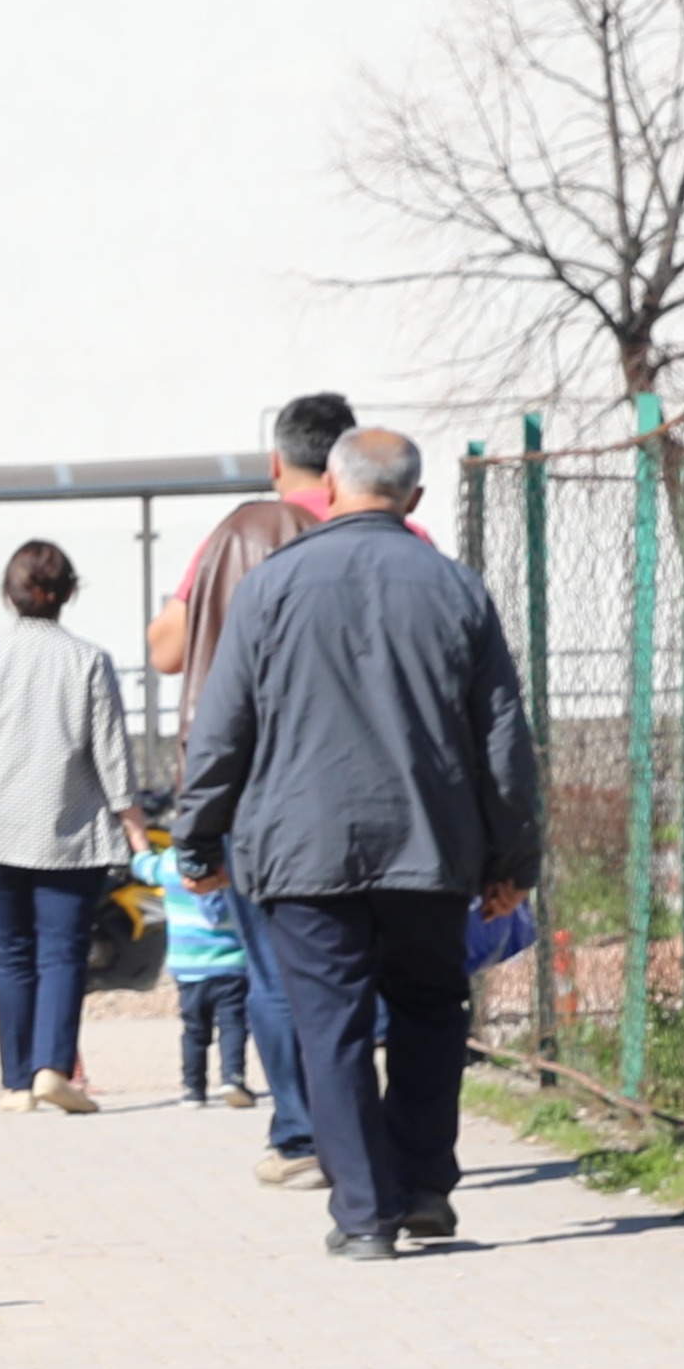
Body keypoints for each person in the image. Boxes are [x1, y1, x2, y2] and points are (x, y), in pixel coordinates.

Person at [175, 425, 538, 1260]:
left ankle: (364, 1217)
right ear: (412, 498)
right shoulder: (456, 589)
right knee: (428, 1012)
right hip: (429, 846)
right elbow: (502, 742)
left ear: (330, 491)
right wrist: (512, 860)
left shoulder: (270, 588)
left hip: (301, 853)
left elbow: (221, 731)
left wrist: (197, 839)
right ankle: (423, 1189)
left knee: (329, 1025)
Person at [159, 392, 351, 1186]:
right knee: (359, 970)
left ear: (277, 463)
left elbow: (169, 649)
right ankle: (364, 1136)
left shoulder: (229, 534)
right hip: (354, 784)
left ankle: (301, 1136)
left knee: (273, 969)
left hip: (248, 794)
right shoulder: (388, 529)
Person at [0, 539, 138, 1112]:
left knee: (11, 951)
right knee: (61, 952)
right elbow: (111, 757)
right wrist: (131, 821)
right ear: (70, 594)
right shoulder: (88, 661)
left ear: (8, 596)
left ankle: (14, 1084)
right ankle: (53, 1069)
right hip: (68, 833)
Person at [141, 822, 256, 1106]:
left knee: (194, 1030)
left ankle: (193, 1090)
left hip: (188, 966)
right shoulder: (231, 864)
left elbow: (143, 868)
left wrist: (137, 842)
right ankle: (232, 1078)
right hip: (231, 963)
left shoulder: (169, 862)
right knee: (233, 1025)